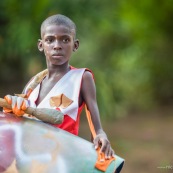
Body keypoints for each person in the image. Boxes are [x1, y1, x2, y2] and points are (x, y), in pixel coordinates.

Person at [3, 14, 115, 163]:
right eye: (50, 40)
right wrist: (12, 108)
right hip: (30, 161)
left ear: (75, 45)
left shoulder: (81, 78)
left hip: (62, 161)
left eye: (65, 39)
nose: (57, 45)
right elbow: (19, 126)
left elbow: (97, 128)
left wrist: (100, 135)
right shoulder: (32, 85)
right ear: (41, 45)